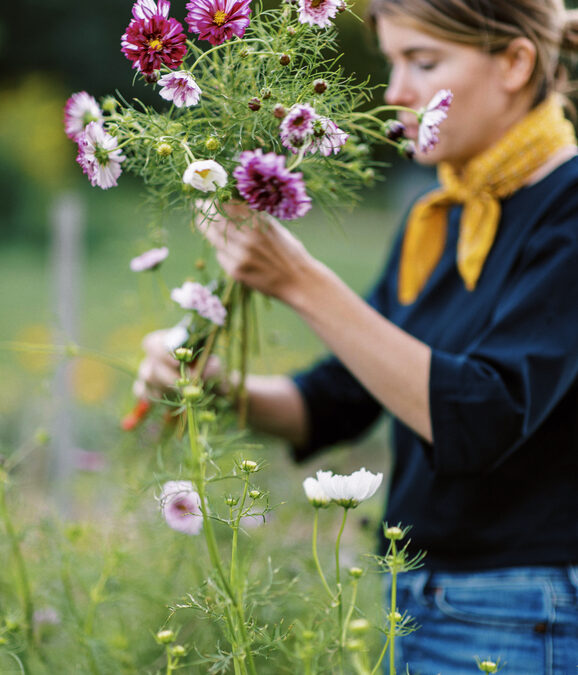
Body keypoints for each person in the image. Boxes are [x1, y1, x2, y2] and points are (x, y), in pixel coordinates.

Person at [134, 0, 578, 672]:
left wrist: (300, 281)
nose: (396, 91)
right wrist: (212, 385)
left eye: (422, 62)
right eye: (392, 62)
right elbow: (338, 397)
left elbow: (485, 415)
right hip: (417, 594)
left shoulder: (566, 212)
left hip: (521, 610)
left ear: (515, 62)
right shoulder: (442, 216)